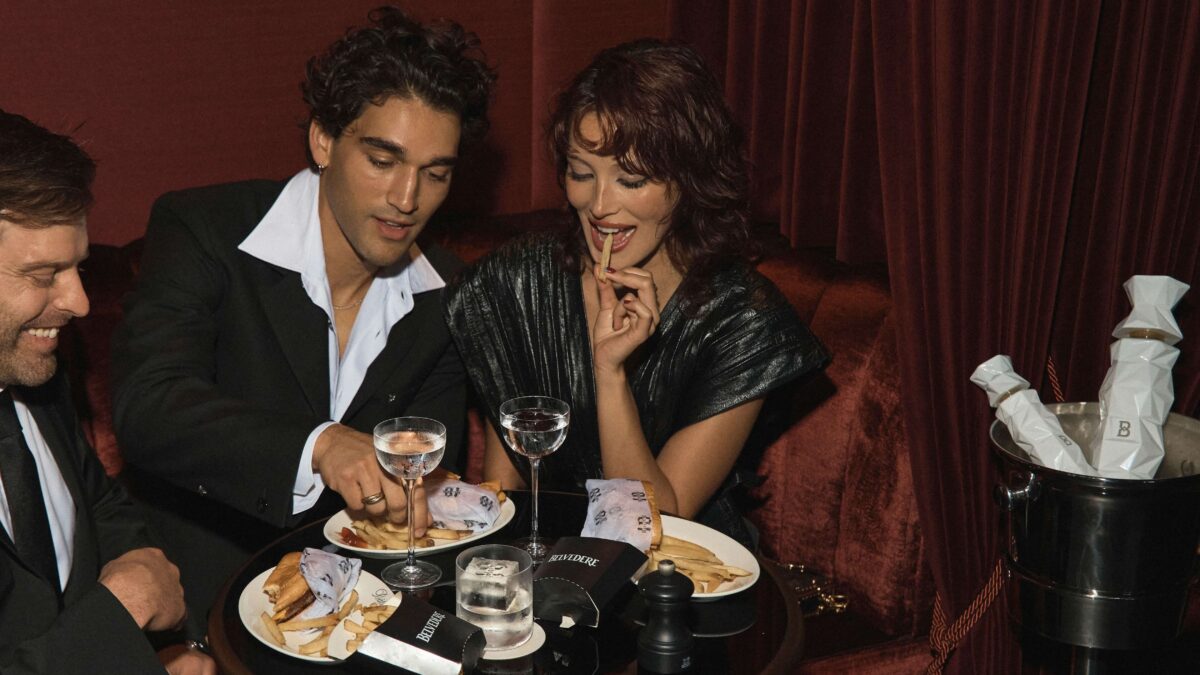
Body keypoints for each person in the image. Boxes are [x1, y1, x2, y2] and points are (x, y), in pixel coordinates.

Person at [111, 7, 495, 630]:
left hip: (362, 620)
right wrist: (319, 445)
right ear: (323, 141)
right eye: (382, 160)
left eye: (435, 173)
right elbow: (148, 407)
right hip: (201, 614)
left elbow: (417, 488)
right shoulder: (205, 230)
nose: (407, 199)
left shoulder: (446, 292)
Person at [445, 39, 829, 546]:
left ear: (689, 180)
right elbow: (508, 493)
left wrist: (610, 373)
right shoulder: (516, 282)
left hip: (680, 572)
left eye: (631, 179)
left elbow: (659, 521)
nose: (600, 205)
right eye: (582, 173)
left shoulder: (743, 320)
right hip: (547, 556)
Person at [0, 109, 214, 674]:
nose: (79, 302)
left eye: (77, 268)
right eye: (43, 275)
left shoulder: (32, 370)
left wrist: (155, 644)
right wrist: (123, 613)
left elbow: (96, 502)